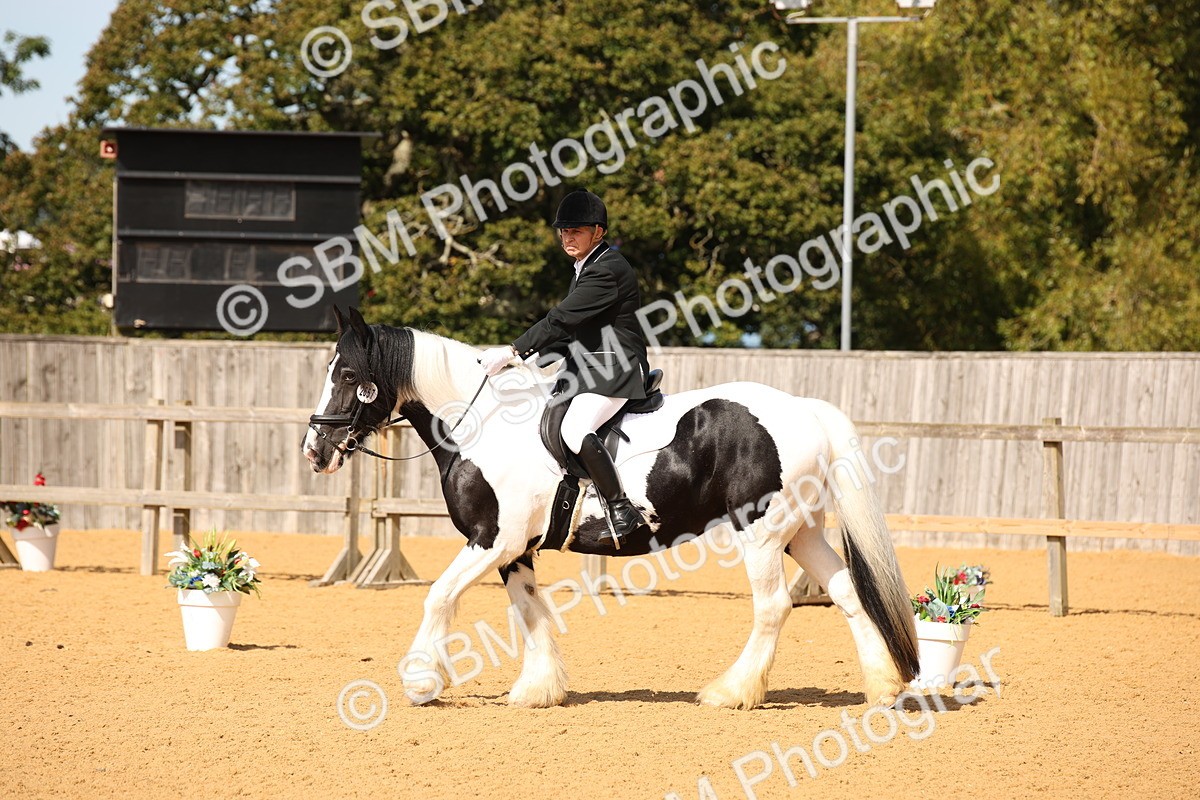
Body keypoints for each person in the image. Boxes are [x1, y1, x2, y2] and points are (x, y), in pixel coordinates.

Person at [479, 189, 650, 545]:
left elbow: (561, 319)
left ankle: (622, 510)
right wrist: (528, 360)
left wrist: (513, 349)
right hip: (590, 367)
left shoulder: (606, 270)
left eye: (577, 231)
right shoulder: (585, 266)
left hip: (616, 368)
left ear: (598, 232)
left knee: (574, 429)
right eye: (564, 231)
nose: (568, 238)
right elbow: (574, 330)